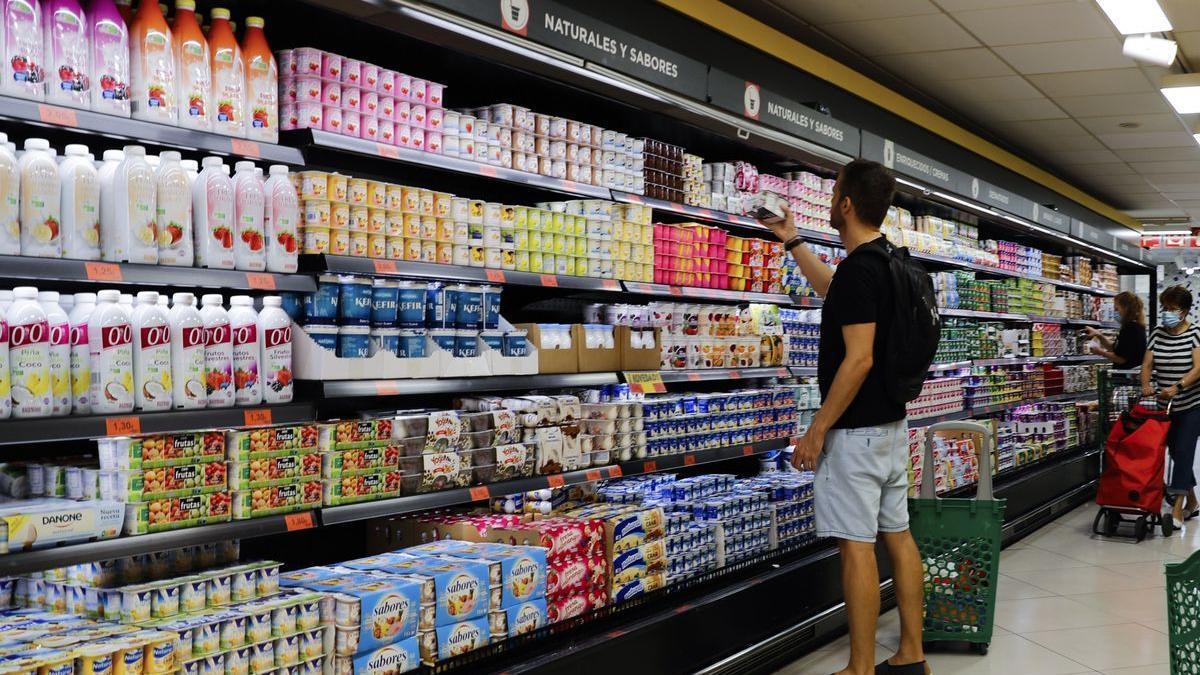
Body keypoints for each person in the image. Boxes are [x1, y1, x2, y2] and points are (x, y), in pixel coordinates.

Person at [760, 159, 928, 675]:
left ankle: (860, 667)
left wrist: (817, 429)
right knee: (898, 536)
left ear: (847, 204)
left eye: (834, 193)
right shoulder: (890, 261)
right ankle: (911, 654)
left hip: (856, 438)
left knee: (855, 548)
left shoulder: (861, 269)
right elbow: (834, 291)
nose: (831, 201)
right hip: (893, 428)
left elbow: (858, 359)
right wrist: (791, 239)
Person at [1141, 285, 1200, 528]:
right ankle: (1193, 502)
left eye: (1172, 309)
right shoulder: (1157, 333)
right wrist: (1145, 384)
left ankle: (1177, 508)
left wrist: (1178, 386)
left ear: (1184, 312)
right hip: (1164, 406)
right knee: (1175, 452)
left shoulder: (1195, 332)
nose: (1166, 313)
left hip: (1191, 404)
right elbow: (1147, 364)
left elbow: (1199, 368)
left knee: (1184, 452)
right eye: (1164, 308)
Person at [1086, 291, 1146, 368]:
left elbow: (1121, 359)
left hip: (1127, 376)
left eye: (1116, 309)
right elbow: (1115, 349)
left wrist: (1100, 352)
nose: (1115, 312)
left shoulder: (1131, 328)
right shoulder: (1135, 326)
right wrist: (1099, 335)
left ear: (1126, 309)